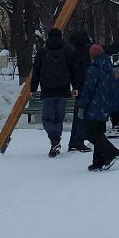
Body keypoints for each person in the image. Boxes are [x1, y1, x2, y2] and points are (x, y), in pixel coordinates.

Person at [68, 28, 119, 151]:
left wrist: (75, 86)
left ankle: (75, 141)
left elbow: (71, 72)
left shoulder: (74, 53)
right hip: (95, 88)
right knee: (93, 120)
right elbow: (112, 49)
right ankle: (93, 143)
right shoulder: (93, 50)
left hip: (80, 88)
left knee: (79, 115)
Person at [77, 45, 119, 171]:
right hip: (105, 106)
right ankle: (98, 161)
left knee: (91, 133)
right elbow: (113, 88)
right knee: (99, 133)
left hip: (94, 107)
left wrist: (82, 106)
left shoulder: (94, 69)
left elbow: (88, 90)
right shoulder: (109, 68)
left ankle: (112, 152)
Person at [30, 28, 74, 157]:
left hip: (47, 90)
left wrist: (33, 89)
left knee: (47, 118)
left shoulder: (42, 52)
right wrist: (75, 86)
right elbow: (73, 70)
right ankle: (56, 140)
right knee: (59, 118)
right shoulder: (67, 51)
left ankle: (54, 140)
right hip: (63, 90)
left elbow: (36, 71)